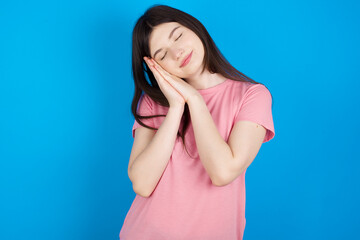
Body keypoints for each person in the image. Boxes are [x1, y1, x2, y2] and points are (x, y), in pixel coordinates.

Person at [119, 4, 275, 240]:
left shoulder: (252, 96)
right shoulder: (153, 103)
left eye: (178, 35)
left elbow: (222, 172)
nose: (177, 53)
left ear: (195, 28)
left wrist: (194, 100)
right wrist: (176, 107)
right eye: (161, 54)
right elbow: (142, 183)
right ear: (155, 66)